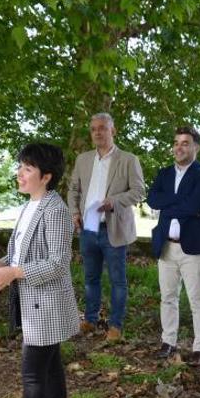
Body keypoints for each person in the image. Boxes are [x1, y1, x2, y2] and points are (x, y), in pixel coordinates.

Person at [0, 143, 79, 398]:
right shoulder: (30, 206)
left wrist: (15, 272)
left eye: (27, 169)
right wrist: (2, 263)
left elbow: (57, 263)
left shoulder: (56, 210)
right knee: (50, 369)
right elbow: (22, 254)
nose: (19, 173)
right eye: (20, 166)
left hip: (47, 307)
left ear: (46, 177)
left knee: (33, 375)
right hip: (34, 304)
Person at [67, 113, 145, 341]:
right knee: (91, 278)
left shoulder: (128, 159)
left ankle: (115, 326)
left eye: (102, 128)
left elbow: (139, 191)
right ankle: (90, 320)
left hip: (114, 229)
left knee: (117, 280)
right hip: (87, 230)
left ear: (113, 130)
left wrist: (114, 201)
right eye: (93, 129)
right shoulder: (83, 159)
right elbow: (73, 190)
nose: (97, 132)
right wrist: (74, 212)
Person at [147, 126, 200, 366]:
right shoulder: (164, 173)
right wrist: (178, 200)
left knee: (197, 298)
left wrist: (169, 205)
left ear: (196, 147)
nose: (179, 147)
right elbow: (152, 199)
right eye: (176, 143)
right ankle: (168, 341)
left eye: (185, 143)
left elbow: (196, 206)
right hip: (166, 245)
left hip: (194, 246)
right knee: (167, 296)